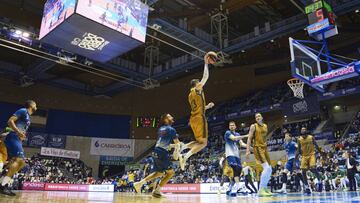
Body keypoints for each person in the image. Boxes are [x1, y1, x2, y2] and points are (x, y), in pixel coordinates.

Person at [178, 52, 216, 170]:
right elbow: (205, 77)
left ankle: (182, 147)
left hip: (193, 119)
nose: (201, 84)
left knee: (198, 142)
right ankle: (185, 156)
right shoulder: (197, 89)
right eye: (199, 83)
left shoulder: (190, 95)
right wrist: (205, 63)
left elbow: (198, 107)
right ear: (196, 84)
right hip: (199, 118)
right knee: (203, 144)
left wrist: (207, 106)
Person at [134, 114, 181, 198]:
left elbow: (166, 143)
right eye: (170, 116)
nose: (172, 117)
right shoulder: (171, 129)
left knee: (159, 173)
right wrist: (178, 151)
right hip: (162, 152)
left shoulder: (161, 129)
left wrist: (173, 146)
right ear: (165, 119)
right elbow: (177, 143)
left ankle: (139, 183)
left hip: (156, 151)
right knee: (170, 173)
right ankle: (157, 191)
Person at [0, 100, 37, 196]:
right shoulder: (23, 110)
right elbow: (10, 121)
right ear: (31, 105)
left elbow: (21, 128)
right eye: (35, 104)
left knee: (19, 163)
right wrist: (18, 132)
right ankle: (3, 185)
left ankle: (2, 180)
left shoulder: (28, 116)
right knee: (20, 161)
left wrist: (21, 136)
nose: (36, 106)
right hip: (13, 136)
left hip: (17, 138)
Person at [246, 113, 273, 197]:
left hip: (264, 148)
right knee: (267, 168)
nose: (257, 118)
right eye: (256, 117)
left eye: (259, 116)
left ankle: (264, 188)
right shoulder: (253, 126)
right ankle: (261, 189)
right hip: (257, 148)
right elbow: (249, 138)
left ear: (262, 117)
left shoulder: (265, 126)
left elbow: (264, 137)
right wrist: (247, 150)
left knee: (270, 169)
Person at [295, 126, 324, 194]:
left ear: (306, 131)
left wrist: (321, 152)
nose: (303, 130)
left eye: (304, 129)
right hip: (304, 156)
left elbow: (316, 145)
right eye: (302, 129)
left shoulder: (311, 137)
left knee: (313, 168)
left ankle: (319, 181)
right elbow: (298, 150)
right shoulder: (299, 139)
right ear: (301, 131)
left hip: (311, 155)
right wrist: (295, 159)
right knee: (303, 171)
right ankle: (306, 186)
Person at [224, 121, 248, 196]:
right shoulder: (227, 133)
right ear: (229, 127)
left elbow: (242, 144)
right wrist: (246, 135)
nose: (231, 126)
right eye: (230, 125)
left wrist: (250, 147)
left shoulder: (237, 134)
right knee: (235, 168)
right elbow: (234, 138)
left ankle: (230, 187)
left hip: (236, 154)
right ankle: (238, 188)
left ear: (235, 126)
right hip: (230, 154)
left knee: (239, 170)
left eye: (233, 125)